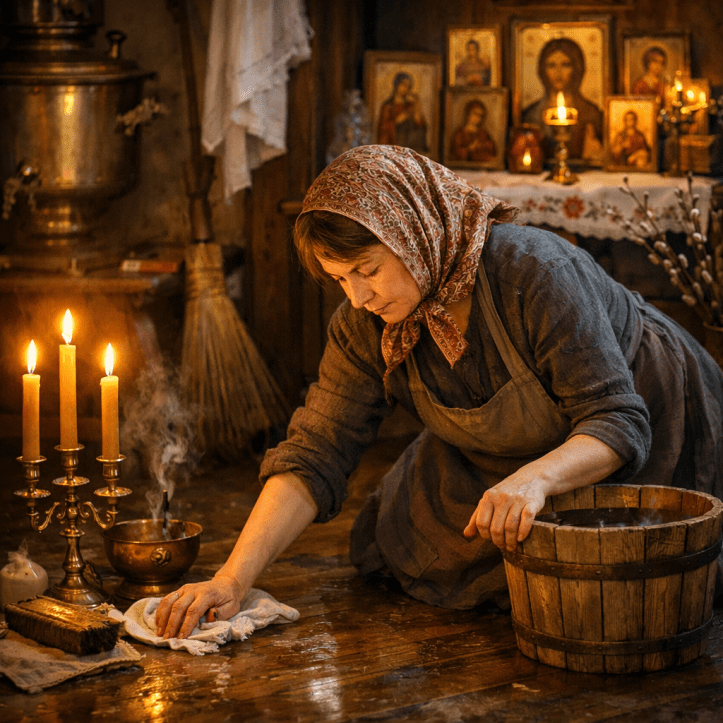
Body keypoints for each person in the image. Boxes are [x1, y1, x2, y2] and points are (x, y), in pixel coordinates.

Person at [156, 145, 723, 639]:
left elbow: (618, 420)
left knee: (618, 586)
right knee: (400, 538)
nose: (357, 297)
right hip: (512, 449)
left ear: (414, 232)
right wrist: (232, 579)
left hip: (646, 418)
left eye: (368, 270)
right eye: (339, 279)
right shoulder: (366, 323)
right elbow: (316, 449)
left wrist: (534, 479)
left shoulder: (534, 272)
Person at [521, 37, 604, 164]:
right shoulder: (530, 114)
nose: (558, 73)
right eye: (551, 65)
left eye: (566, 65)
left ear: (576, 69)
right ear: (543, 70)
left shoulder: (592, 114)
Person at [377, 72, 428, 153]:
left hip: (409, 146)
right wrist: (397, 120)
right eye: (403, 85)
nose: (405, 88)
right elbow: (382, 129)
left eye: (408, 86)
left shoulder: (410, 106)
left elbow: (421, 127)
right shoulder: (388, 106)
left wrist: (417, 108)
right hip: (393, 147)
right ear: (397, 85)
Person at [449, 99, 496, 163]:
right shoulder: (459, 133)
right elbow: (455, 153)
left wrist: (482, 145)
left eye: (480, 115)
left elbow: (492, 151)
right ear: (468, 114)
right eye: (475, 113)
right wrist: (469, 149)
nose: (477, 117)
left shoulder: (483, 133)